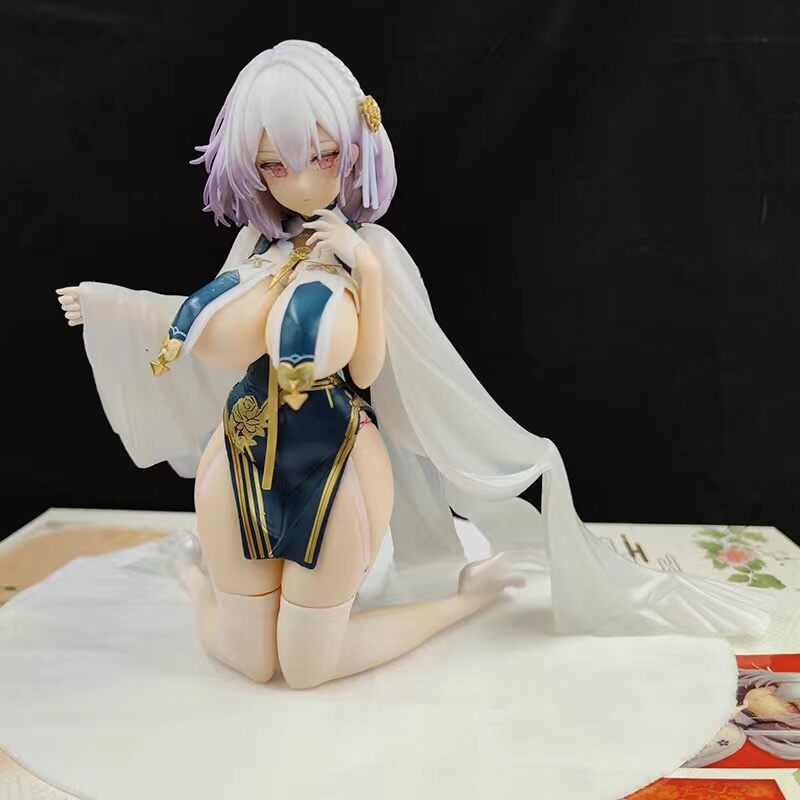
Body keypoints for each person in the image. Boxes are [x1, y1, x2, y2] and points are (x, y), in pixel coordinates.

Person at [56, 39, 777, 690]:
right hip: (242, 450)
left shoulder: (371, 252)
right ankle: (196, 584)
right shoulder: (255, 248)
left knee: (306, 668)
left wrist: (364, 271)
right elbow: (214, 326)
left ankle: (465, 604)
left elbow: (370, 368)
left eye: (322, 157)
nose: (299, 184)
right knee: (252, 658)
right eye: (274, 165)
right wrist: (119, 306)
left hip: (334, 458)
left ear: (355, 147)